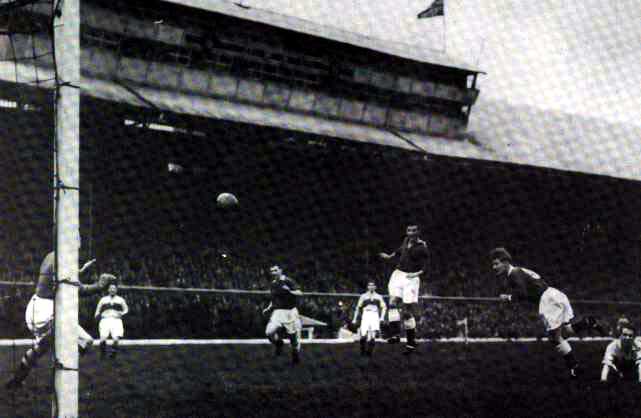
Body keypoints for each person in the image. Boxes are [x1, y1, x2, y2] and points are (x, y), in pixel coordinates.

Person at [490, 247, 604, 378]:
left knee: (555, 338)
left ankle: (575, 368)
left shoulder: (513, 273)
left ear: (505, 262)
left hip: (547, 300)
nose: (494, 267)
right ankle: (588, 322)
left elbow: (522, 293)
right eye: (493, 264)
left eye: (496, 263)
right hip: (553, 294)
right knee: (565, 332)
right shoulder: (518, 271)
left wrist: (509, 298)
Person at [6, 251, 113, 390]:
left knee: (41, 348)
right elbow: (80, 289)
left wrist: (80, 271)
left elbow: (58, 280)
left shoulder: (52, 255)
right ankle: (63, 378)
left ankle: (16, 380)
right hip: (46, 312)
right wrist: (100, 285)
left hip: (35, 308)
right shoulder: (64, 260)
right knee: (85, 342)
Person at [379, 223, 430, 354]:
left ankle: (411, 342)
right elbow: (400, 250)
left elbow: (426, 266)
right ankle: (395, 335)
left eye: (413, 230)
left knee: (406, 312)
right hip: (398, 274)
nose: (410, 233)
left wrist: (416, 273)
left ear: (418, 232)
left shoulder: (422, 247)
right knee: (392, 303)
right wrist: (390, 256)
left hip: (411, 278)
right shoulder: (405, 240)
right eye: (409, 230)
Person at [262, 265, 302, 365]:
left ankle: (295, 354)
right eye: (272, 271)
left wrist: (289, 291)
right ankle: (279, 343)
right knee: (269, 332)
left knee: (293, 337)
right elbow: (274, 299)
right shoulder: (273, 283)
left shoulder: (288, 280)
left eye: (275, 270)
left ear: (280, 270)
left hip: (290, 312)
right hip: (278, 312)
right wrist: (268, 308)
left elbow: (300, 293)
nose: (273, 272)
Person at [352, 282, 387, 357]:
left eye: (373, 285)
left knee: (373, 335)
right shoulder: (363, 296)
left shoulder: (378, 296)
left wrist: (382, 317)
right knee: (363, 335)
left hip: (374, 315)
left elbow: (384, 307)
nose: (371, 287)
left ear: (375, 287)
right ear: (367, 287)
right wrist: (354, 318)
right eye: (369, 285)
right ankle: (362, 351)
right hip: (366, 315)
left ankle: (369, 353)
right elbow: (358, 308)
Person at [95, 284, 129, 359]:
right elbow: (97, 311)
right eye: (111, 288)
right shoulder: (103, 299)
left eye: (114, 288)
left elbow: (126, 310)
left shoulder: (120, 299)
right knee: (103, 339)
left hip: (116, 320)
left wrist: (122, 313)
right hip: (105, 320)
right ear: (108, 290)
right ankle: (103, 355)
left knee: (116, 339)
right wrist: (98, 316)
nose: (112, 290)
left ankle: (113, 354)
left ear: (116, 290)